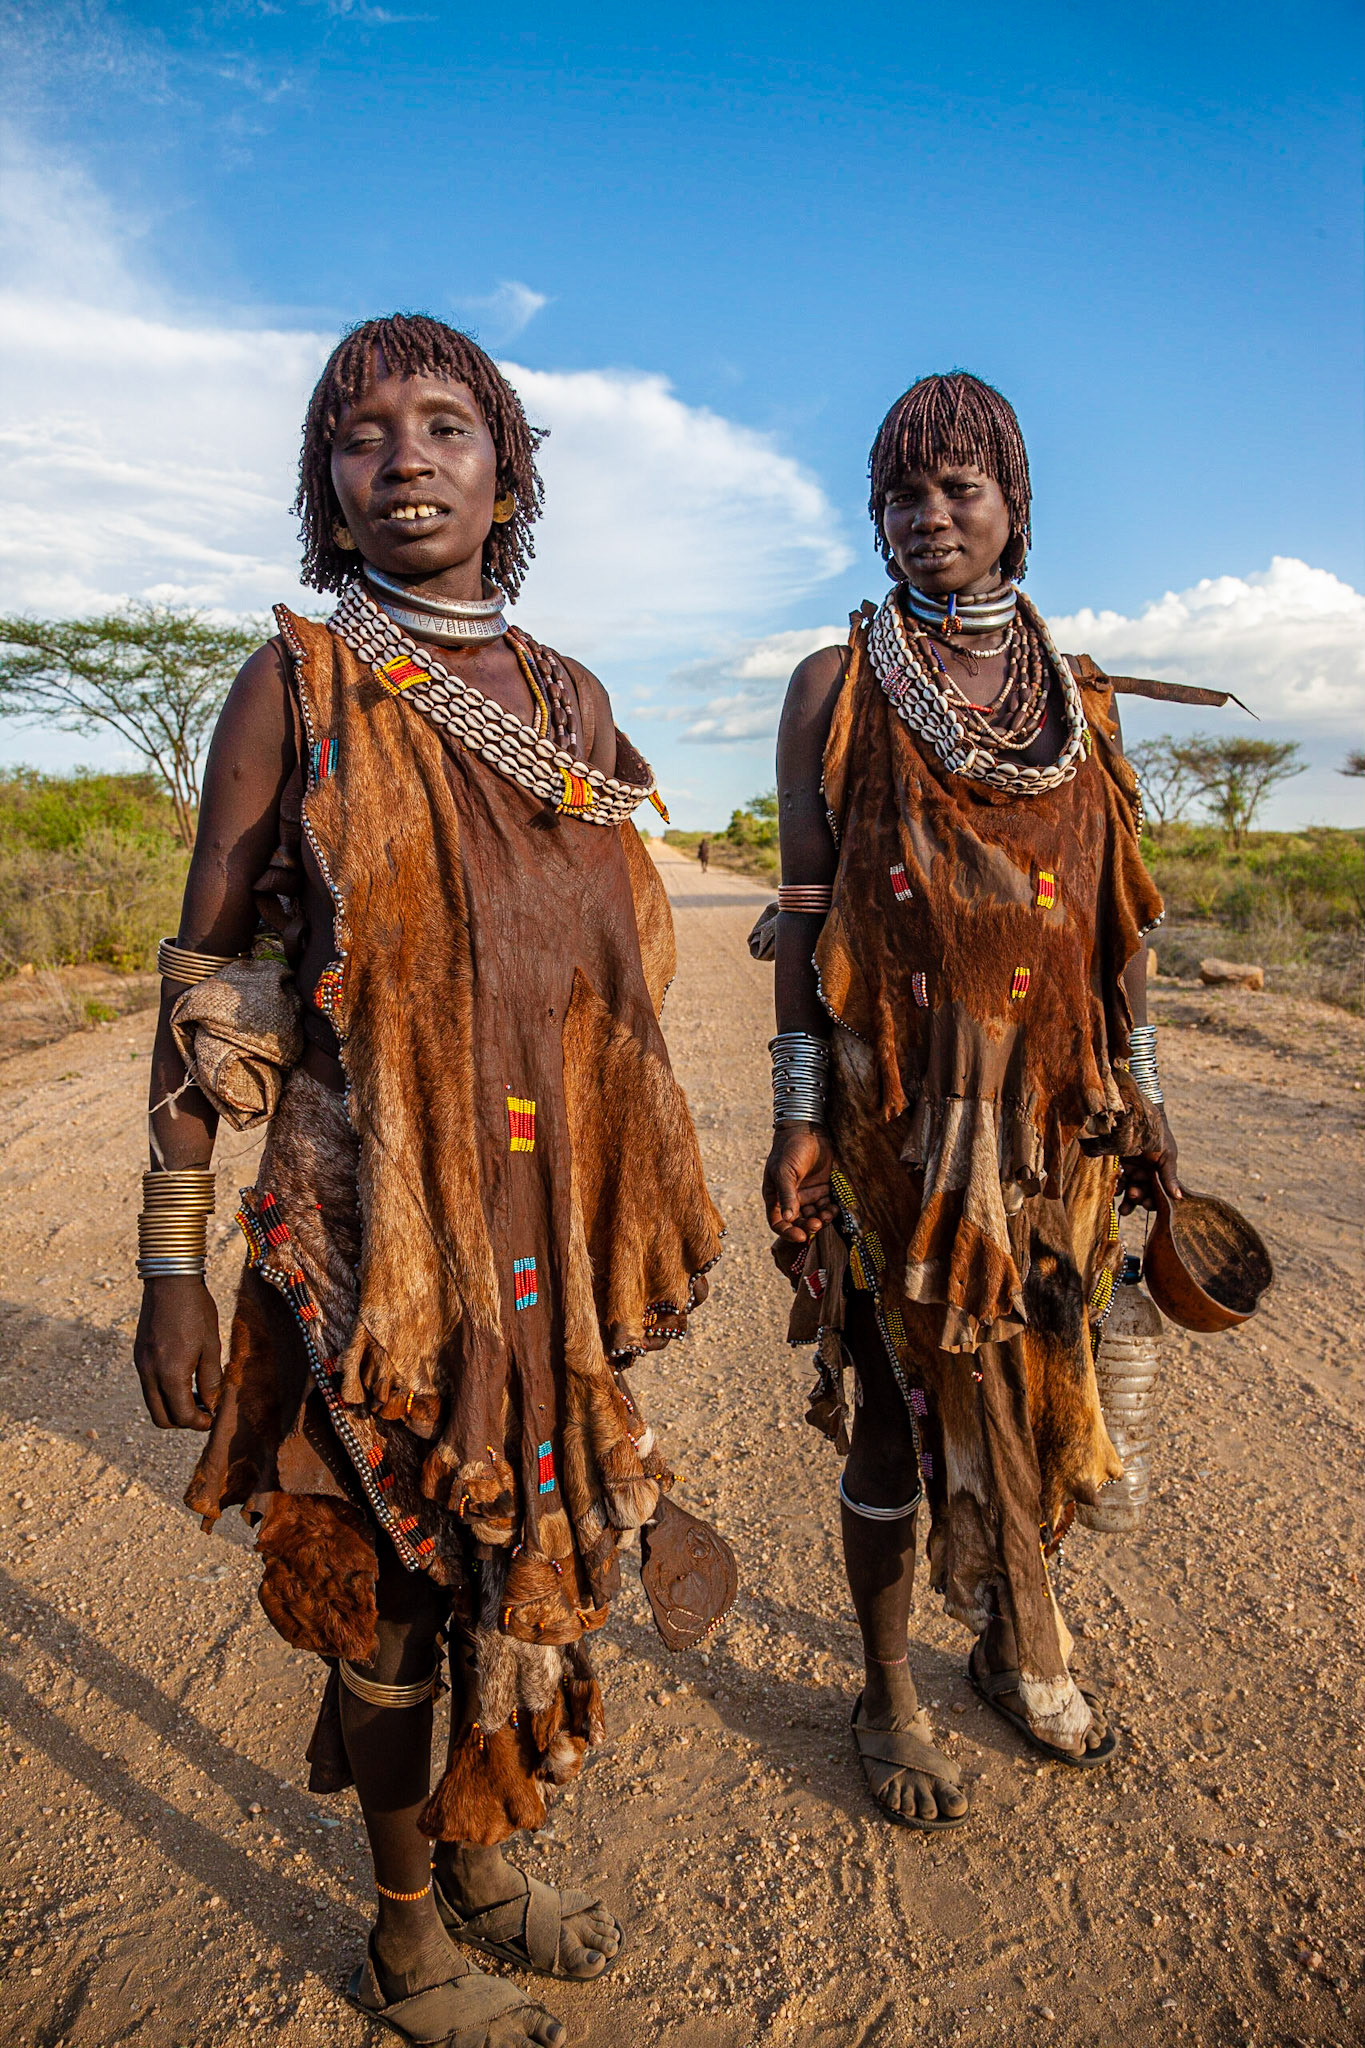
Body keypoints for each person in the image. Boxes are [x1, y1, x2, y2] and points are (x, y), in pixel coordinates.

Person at [134, 314, 727, 2044]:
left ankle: (476, 1856)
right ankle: (404, 1937)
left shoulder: (570, 704)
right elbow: (210, 989)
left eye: (445, 426)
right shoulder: (296, 687)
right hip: (361, 1239)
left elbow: (608, 990)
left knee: (507, 1556)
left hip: (536, 1235)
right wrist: (171, 1262)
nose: (403, 458)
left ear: (506, 474)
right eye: (361, 434)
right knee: (388, 1585)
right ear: (326, 487)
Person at [763, 372, 1178, 1830]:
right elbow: (803, 918)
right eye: (902, 495)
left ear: (1015, 506)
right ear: (874, 516)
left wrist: (1141, 1088)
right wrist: (796, 1117)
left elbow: (1114, 924)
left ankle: (1011, 1641)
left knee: (1039, 1378)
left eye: (960, 489)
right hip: (896, 1127)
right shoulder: (834, 687)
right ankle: (886, 1691)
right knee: (899, 1409)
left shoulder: (1081, 698)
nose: (929, 517)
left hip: (1053, 1126)